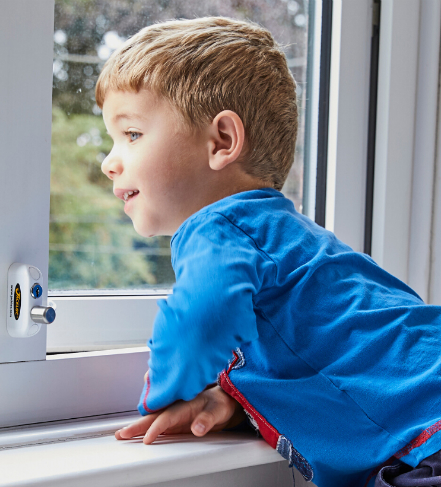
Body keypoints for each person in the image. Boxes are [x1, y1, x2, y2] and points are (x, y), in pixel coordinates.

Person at [95, 17, 441, 487]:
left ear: (222, 142)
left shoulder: (217, 227)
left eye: (131, 134)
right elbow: (326, 357)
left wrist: (163, 394)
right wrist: (237, 400)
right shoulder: (287, 236)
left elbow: (201, 316)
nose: (109, 162)